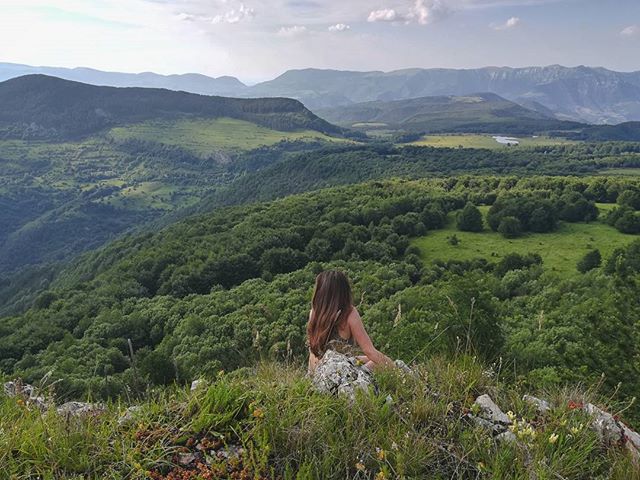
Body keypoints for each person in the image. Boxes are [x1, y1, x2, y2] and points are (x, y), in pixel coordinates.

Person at [307, 270, 392, 373]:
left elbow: (312, 354)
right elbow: (369, 351)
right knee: (377, 362)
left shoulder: (314, 313)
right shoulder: (349, 313)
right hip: (340, 373)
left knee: (365, 359)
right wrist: (396, 368)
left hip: (319, 371)